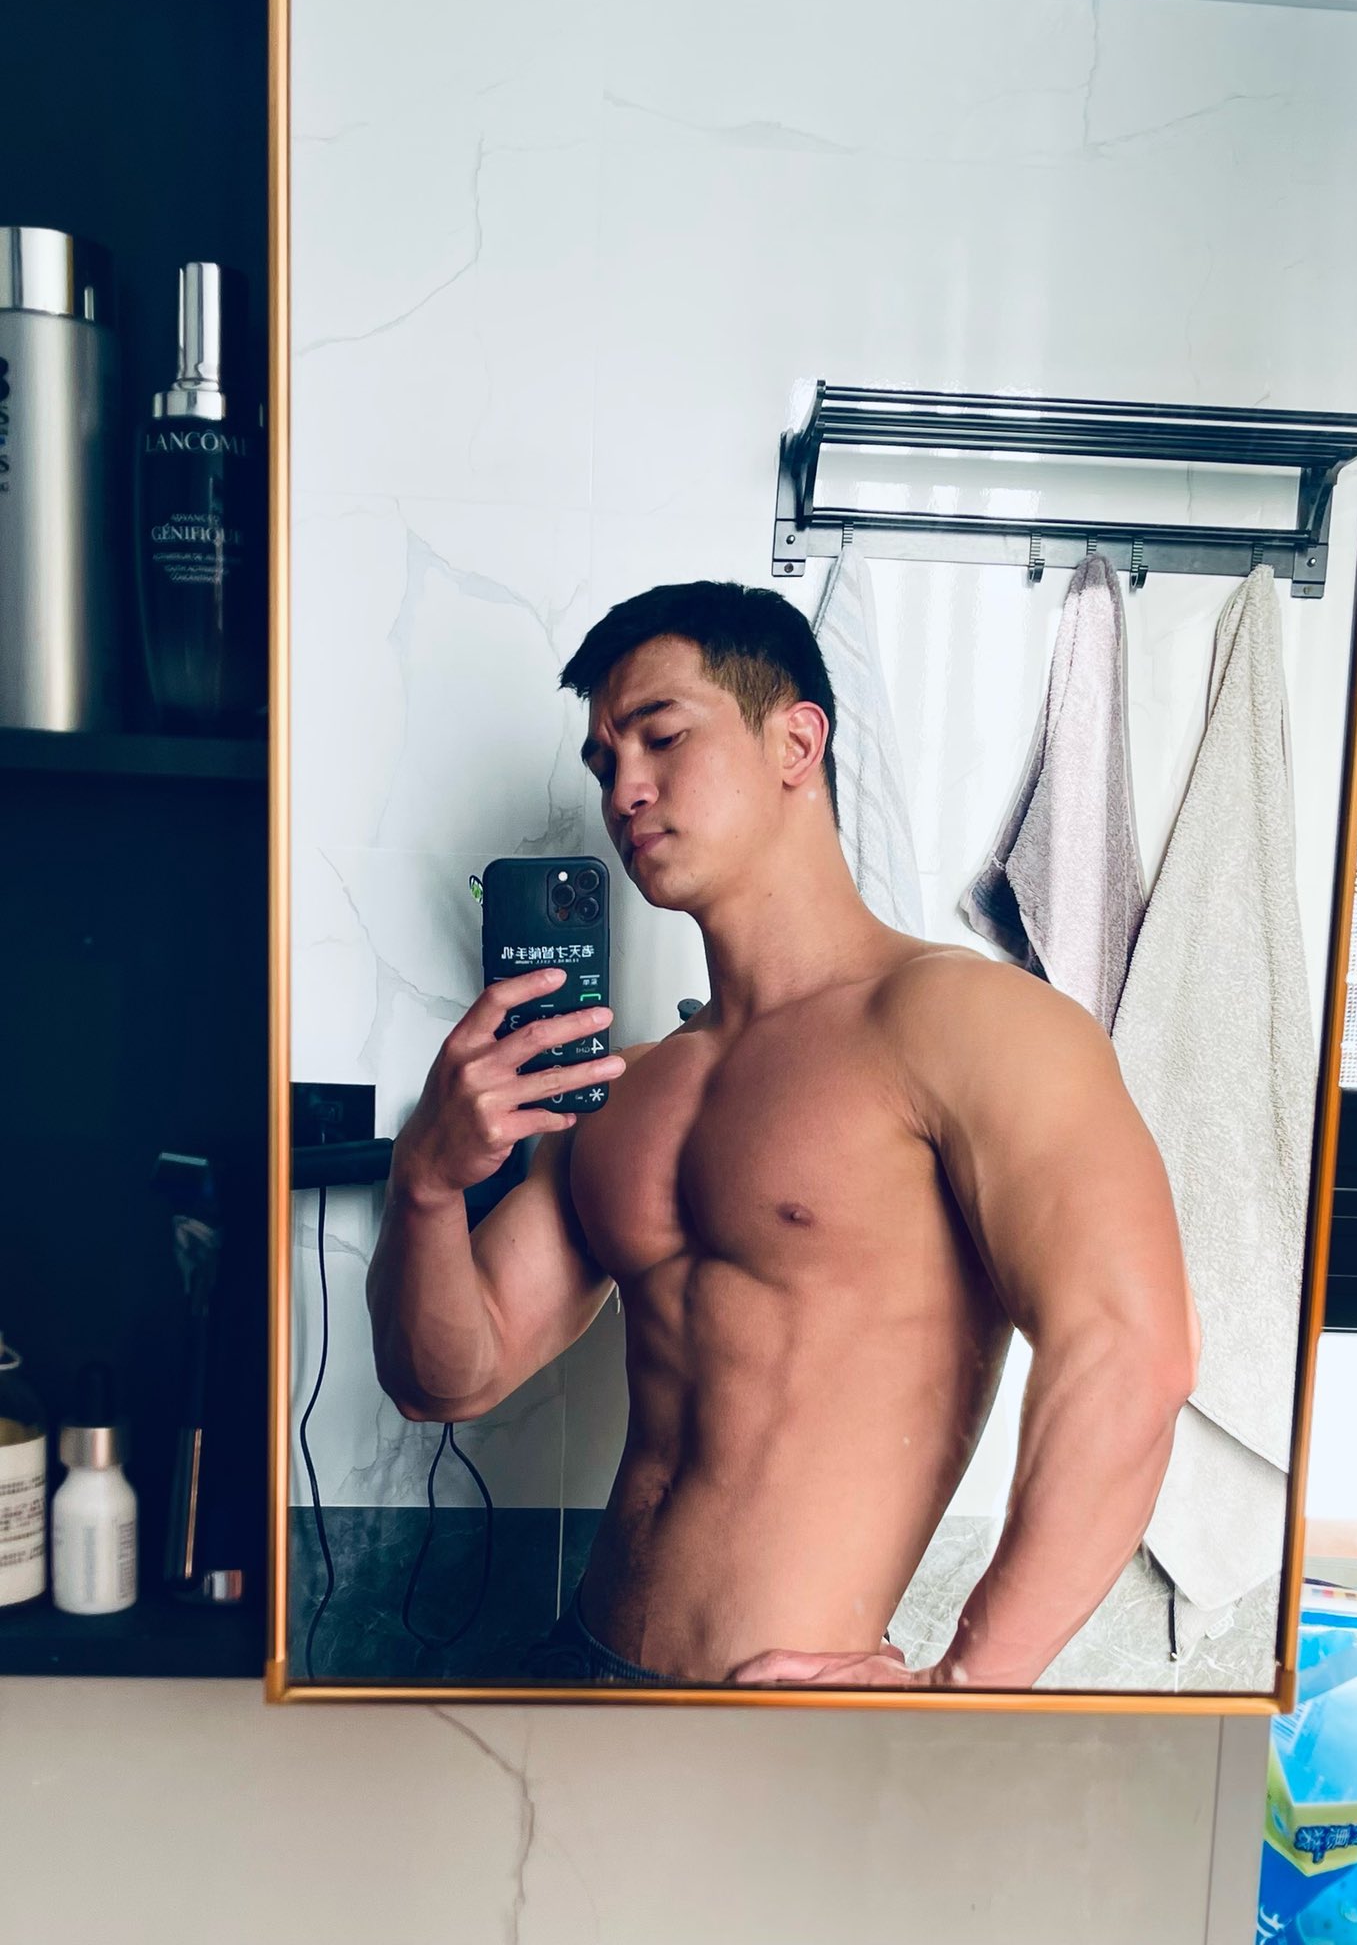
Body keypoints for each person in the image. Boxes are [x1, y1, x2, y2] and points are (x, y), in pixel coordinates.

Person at [365, 581, 1197, 1690]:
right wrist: (424, 1180)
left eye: (662, 736)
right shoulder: (625, 1086)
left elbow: (1132, 1347)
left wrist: (969, 1688)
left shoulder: (966, 1024)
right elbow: (444, 1378)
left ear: (797, 741)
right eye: (603, 764)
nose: (624, 790)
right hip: (577, 1666)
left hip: (779, 1719)